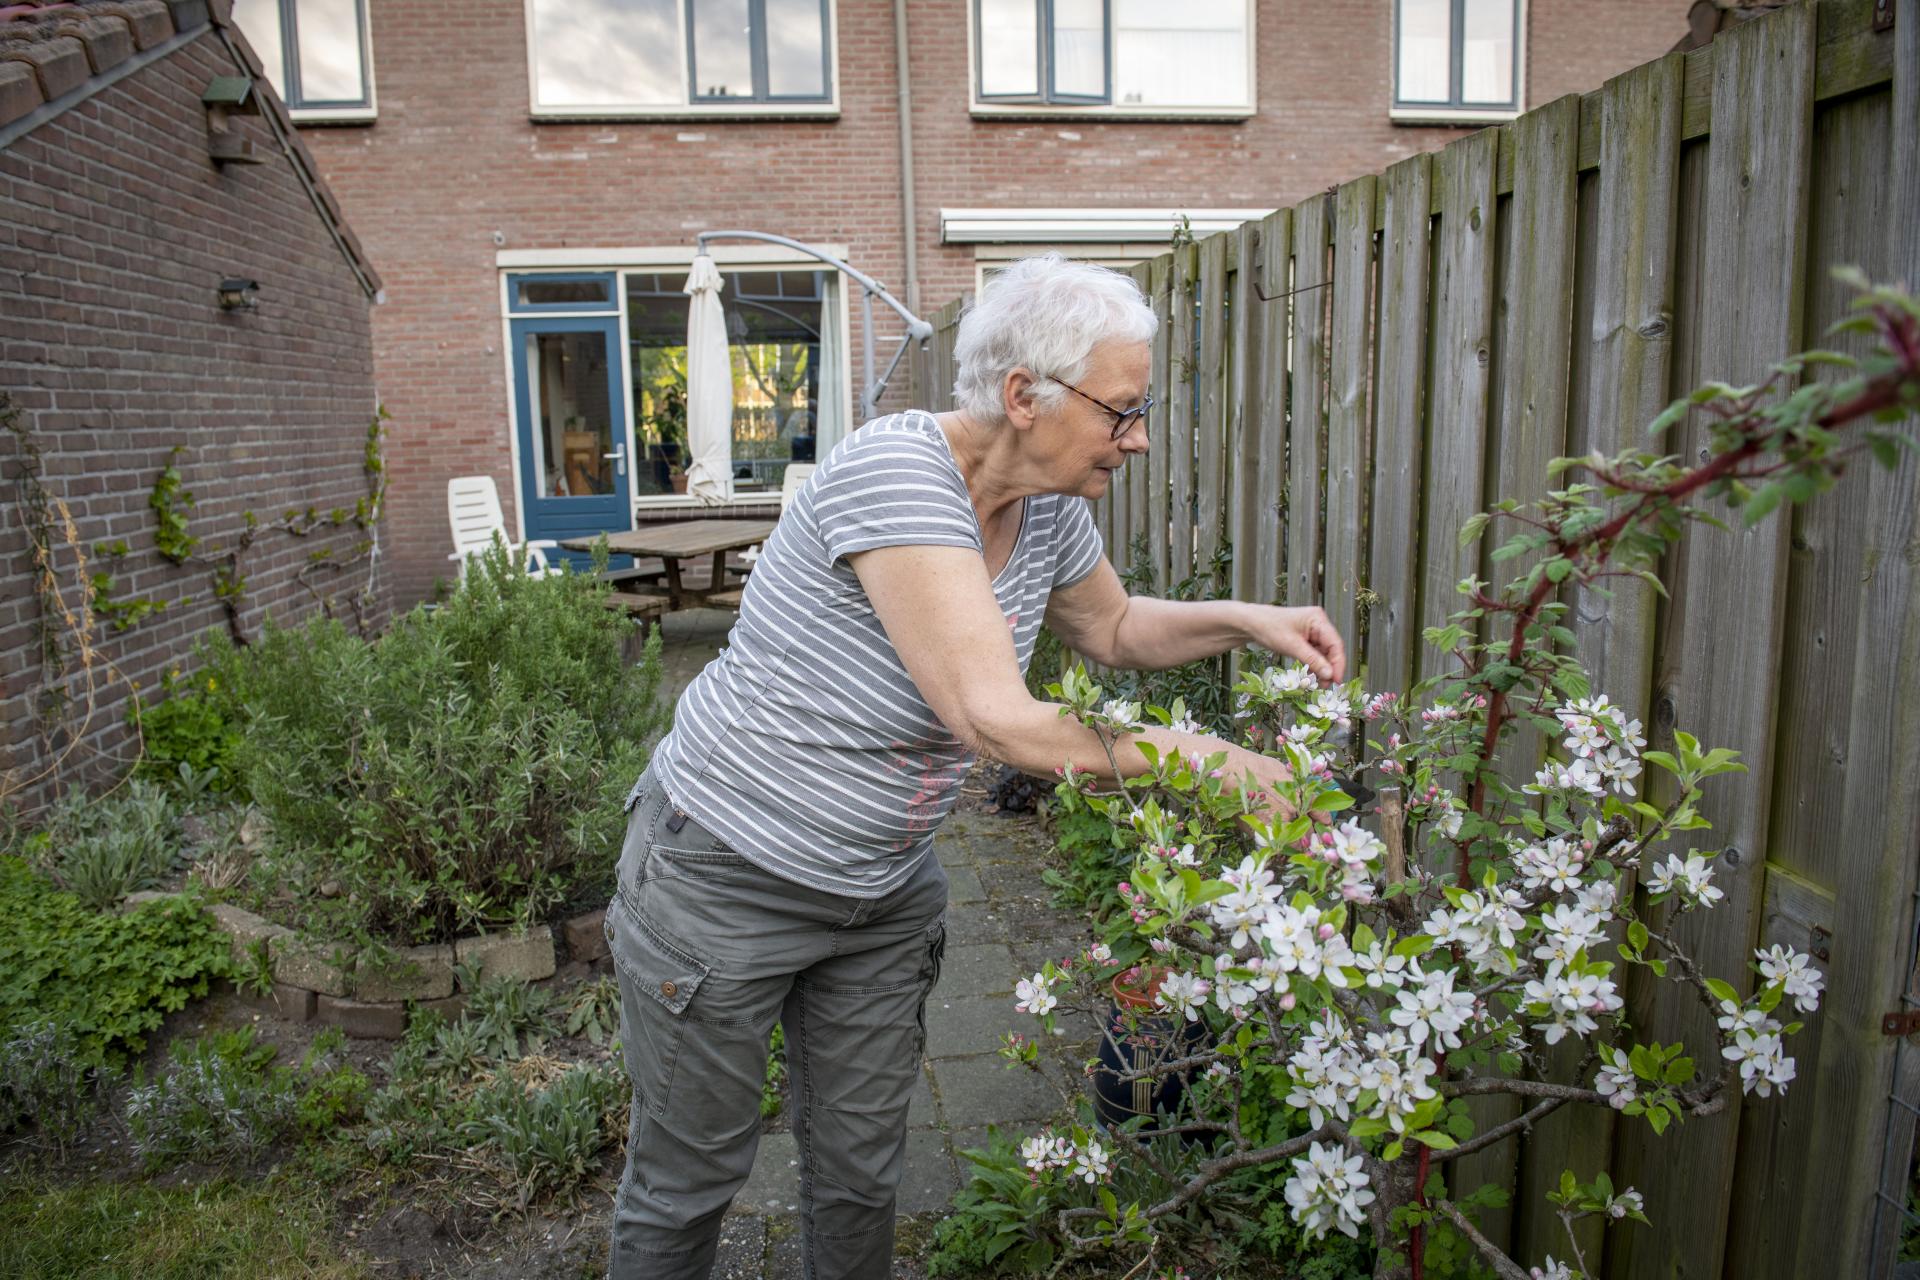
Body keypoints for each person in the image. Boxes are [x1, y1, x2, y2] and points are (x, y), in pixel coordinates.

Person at [607, 253, 1347, 1279]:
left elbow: (1117, 625)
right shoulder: (893, 472)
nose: (1136, 439)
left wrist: (1245, 620)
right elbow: (994, 718)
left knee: (861, 1173)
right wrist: (1212, 760)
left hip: (880, 890)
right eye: (1121, 412)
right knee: (688, 1181)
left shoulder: (1047, 503)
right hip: (726, 873)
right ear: (1025, 396)